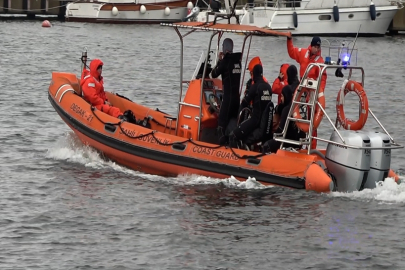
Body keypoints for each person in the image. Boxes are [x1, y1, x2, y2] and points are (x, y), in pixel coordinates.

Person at [287, 35, 327, 148]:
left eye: (318, 47)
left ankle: (312, 147)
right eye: (314, 46)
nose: (316, 48)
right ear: (311, 45)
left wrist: (320, 93)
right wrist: (289, 39)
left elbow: (323, 79)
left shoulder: (320, 61)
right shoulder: (303, 53)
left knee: (312, 123)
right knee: (296, 117)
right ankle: (297, 142)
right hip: (301, 92)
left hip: (313, 93)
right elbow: (291, 52)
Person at [262, 65, 304, 153]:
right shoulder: (301, 87)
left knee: (268, 143)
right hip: (298, 134)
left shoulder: (287, 107)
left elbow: (274, 88)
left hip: (287, 136)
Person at [211, 38, 242, 145]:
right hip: (236, 99)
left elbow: (213, 74)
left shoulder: (225, 62)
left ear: (224, 49)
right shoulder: (238, 62)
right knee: (233, 122)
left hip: (228, 99)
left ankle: (221, 148)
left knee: (221, 124)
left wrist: (220, 60)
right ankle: (232, 144)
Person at [231, 64, 272, 144]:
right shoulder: (268, 87)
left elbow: (244, 103)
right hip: (265, 123)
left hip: (255, 121)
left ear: (254, 74)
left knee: (234, 135)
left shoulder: (255, 86)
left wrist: (238, 120)